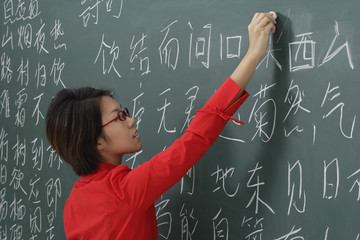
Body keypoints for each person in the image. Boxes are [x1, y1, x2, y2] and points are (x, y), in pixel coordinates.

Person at [46, 12, 276, 240]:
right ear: (95, 141)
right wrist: (253, 54)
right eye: (119, 117)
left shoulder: (73, 203)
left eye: (125, 113)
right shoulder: (126, 191)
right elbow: (195, 138)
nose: (131, 120)